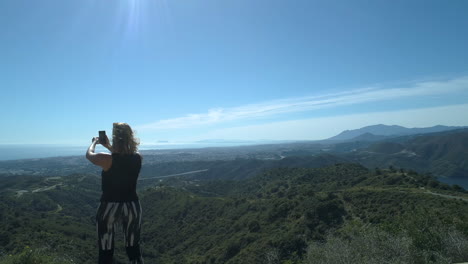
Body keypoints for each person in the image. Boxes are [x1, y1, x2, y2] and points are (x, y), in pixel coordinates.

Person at [86, 122, 144, 264]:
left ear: (115, 137)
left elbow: (89, 155)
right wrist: (108, 146)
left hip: (109, 207)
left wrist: (94, 143)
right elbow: (122, 158)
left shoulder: (106, 159)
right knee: (133, 248)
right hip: (132, 206)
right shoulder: (138, 158)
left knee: (106, 249)